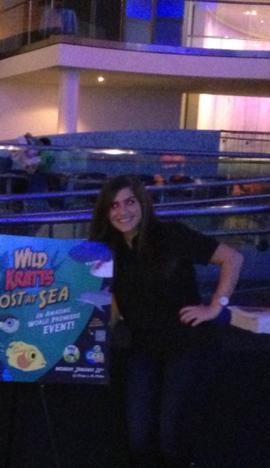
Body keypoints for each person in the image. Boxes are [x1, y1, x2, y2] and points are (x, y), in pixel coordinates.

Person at [89, 175, 243, 467]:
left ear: (143, 202)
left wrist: (215, 307)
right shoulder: (108, 250)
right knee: (139, 436)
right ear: (106, 213)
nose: (122, 211)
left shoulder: (170, 234)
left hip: (187, 343)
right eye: (114, 206)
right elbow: (115, 308)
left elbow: (232, 259)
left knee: (171, 435)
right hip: (143, 347)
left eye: (129, 202)